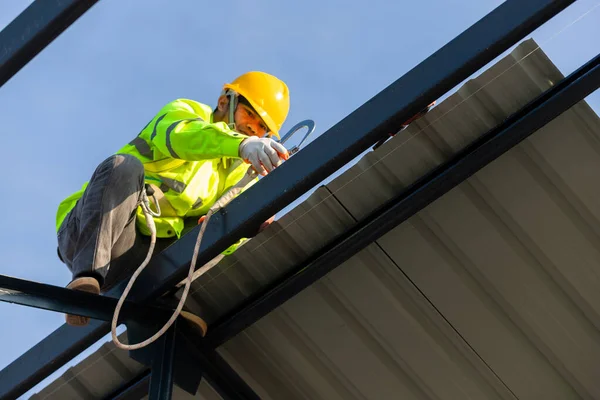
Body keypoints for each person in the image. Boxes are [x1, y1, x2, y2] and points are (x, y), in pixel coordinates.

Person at [55, 71, 290, 333]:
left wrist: (252, 223)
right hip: (89, 233)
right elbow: (182, 137)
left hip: (140, 257)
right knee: (124, 166)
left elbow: (225, 238)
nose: (253, 129)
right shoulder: (186, 113)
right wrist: (242, 144)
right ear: (225, 102)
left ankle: (163, 304)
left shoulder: (237, 174)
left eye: (261, 128)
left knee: (222, 225)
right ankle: (86, 279)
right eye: (249, 115)